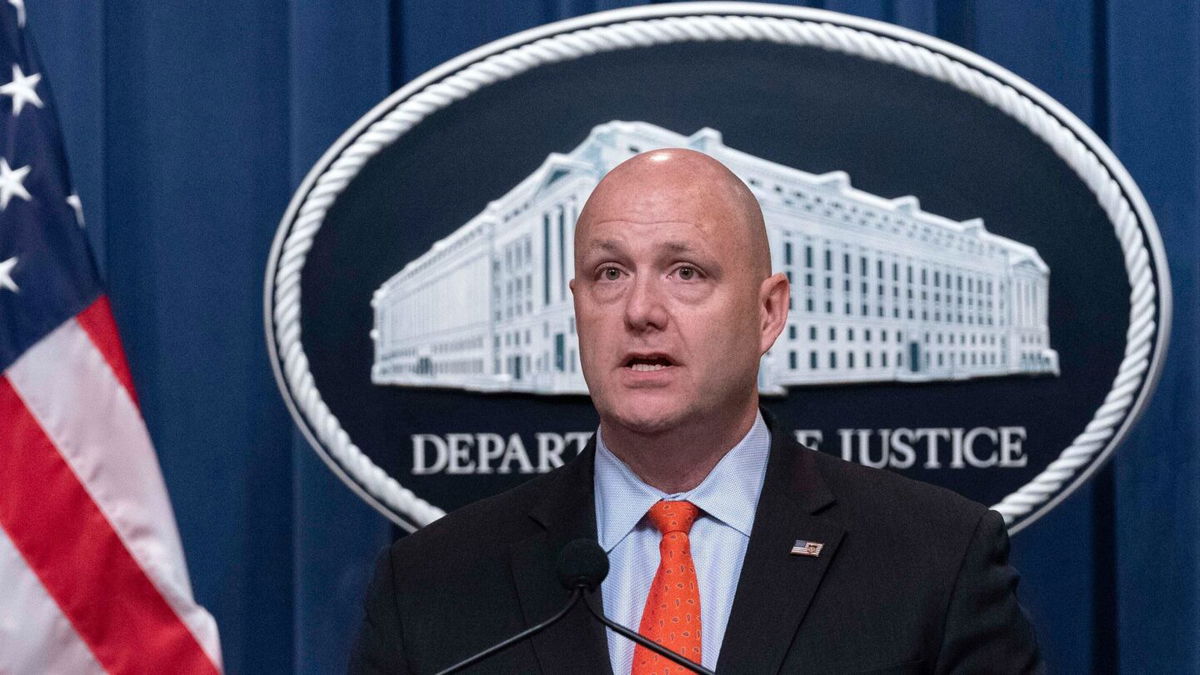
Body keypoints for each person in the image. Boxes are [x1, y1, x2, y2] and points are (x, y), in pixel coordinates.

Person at [349, 149, 1043, 674]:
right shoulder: (430, 585)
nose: (641, 311)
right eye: (609, 274)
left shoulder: (935, 561)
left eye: (687, 272)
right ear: (577, 304)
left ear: (768, 312)